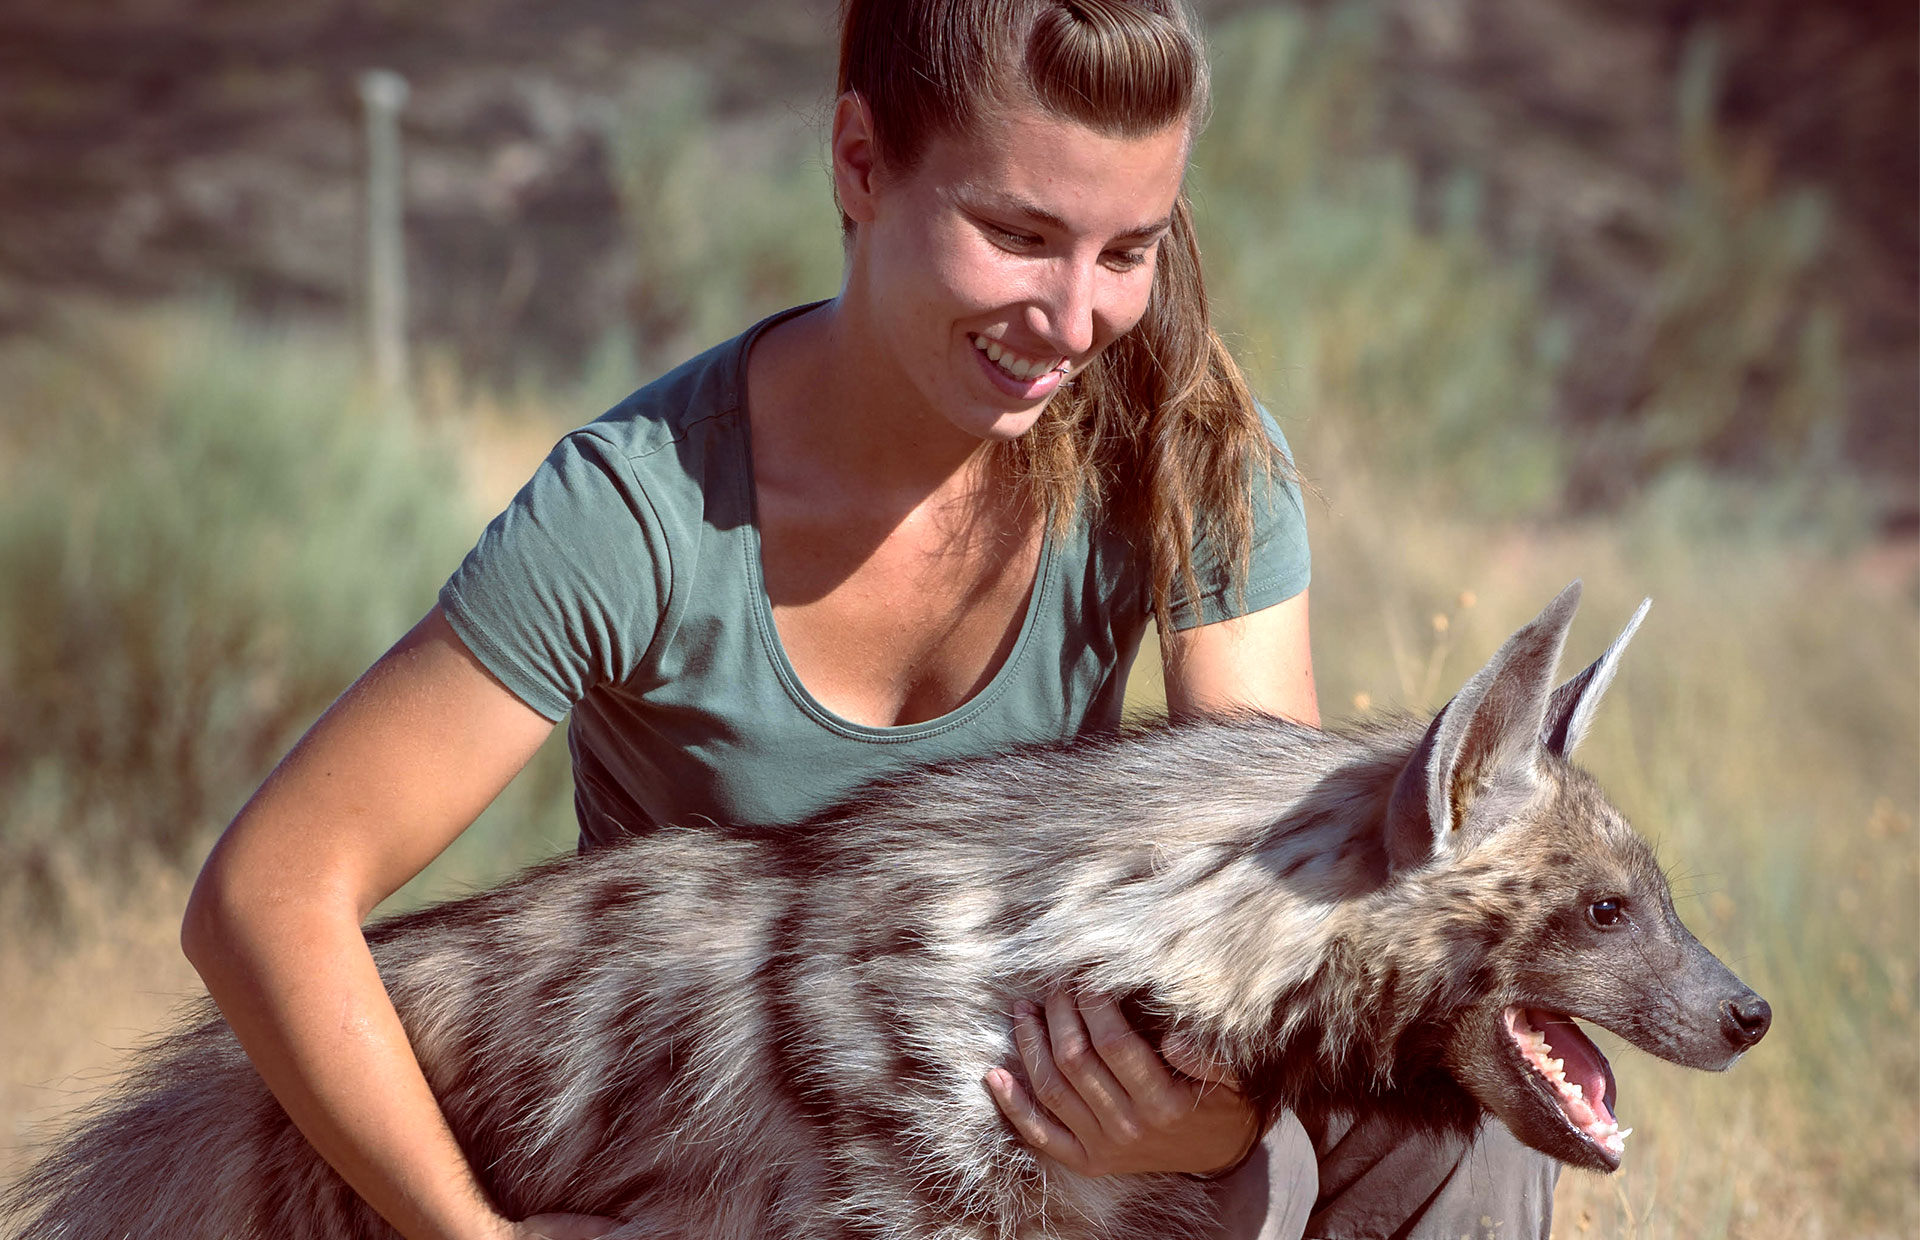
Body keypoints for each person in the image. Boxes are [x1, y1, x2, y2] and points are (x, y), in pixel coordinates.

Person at [181, 2, 1555, 1237]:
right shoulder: (640, 506)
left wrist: (1203, 1119)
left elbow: (1280, 937)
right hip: (742, 1138)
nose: (1075, 318)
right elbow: (270, 896)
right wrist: (467, 1238)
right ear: (857, 163)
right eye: (1017, 234)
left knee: (1455, 1148)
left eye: (1126, 250)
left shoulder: (1195, 456)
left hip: (1080, 1119)